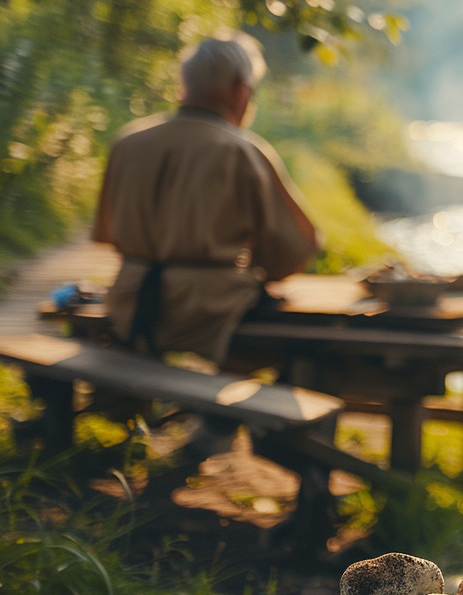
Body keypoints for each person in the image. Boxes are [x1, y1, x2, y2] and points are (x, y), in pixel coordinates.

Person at [91, 33, 319, 364]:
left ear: (186, 83)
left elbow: (107, 234)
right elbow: (295, 246)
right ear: (241, 89)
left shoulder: (128, 141)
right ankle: (220, 416)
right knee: (288, 353)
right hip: (207, 312)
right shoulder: (242, 150)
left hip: (131, 301)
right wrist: (258, 268)